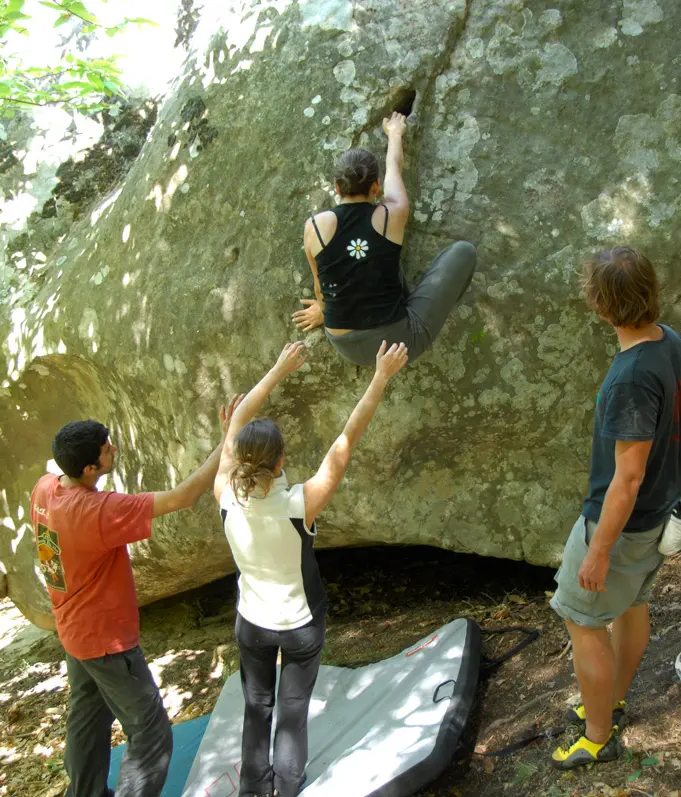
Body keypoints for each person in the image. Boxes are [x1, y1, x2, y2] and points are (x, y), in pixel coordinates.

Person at [214, 339, 408, 797]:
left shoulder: (224, 493)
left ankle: (252, 790)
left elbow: (237, 425)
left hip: (253, 625)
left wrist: (277, 371)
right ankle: (288, 788)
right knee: (292, 710)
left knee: (256, 707)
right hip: (300, 625)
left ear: (238, 457)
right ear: (281, 461)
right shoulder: (301, 504)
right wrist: (380, 377)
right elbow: (347, 438)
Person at [32, 396, 241, 797]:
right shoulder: (96, 510)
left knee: (86, 719)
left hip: (73, 632)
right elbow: (182, 496)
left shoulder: (46, 489)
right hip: (105, 639)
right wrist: (228, 437)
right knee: (151, 733)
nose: (115, 449)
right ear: (89, 468)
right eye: (107, 449)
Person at [548, 246, 681, 769]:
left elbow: (626, 480)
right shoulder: (670, 342)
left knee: (583, 622)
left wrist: (598, 550)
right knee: (631, 606)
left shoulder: (630, 378)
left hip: (622, 524)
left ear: (601, 308)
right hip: (660, 513)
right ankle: (614, 699)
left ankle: (597, 735)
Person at [293, 111, 477, 367]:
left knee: (378, 254)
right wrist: (395, 133)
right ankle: (413, 310)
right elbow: (394, 168)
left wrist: (323, 310)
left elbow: (319, 283)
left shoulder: (313, 226)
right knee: (464, 252)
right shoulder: (392, 214)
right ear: (376, 187)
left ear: (336, 187)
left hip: (341, 341)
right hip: (394, 347)